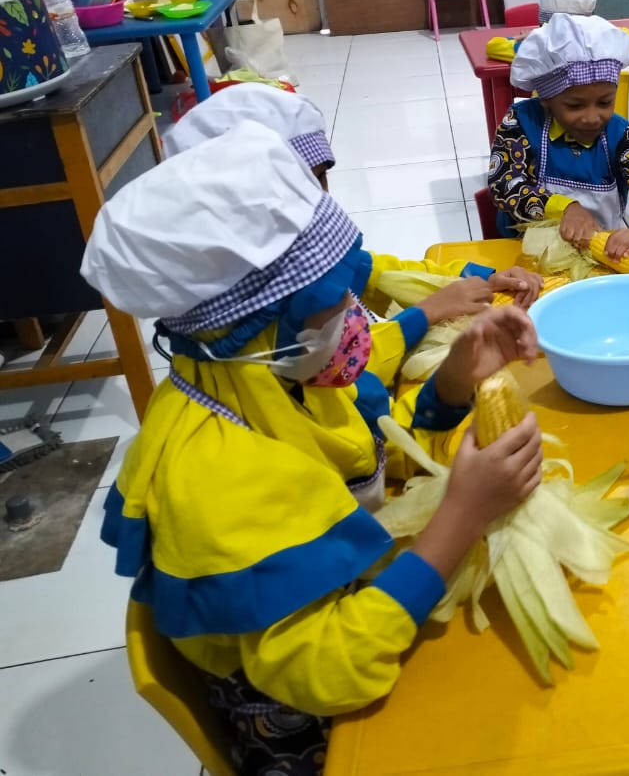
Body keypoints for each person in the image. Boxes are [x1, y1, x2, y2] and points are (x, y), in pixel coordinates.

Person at [82, 123, 544, 775]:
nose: (359, 317)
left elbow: (379, 447)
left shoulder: (266, 377)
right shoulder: (219, 479)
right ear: (256, 329)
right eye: (334, 305)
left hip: (348, 608)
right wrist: (462, 517)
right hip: (308, 724)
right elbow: (332, 671)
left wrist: (454, 378)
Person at [163, 82, 540, 319]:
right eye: (290, 188)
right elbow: (350, 365)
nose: (312, 201)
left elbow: (377, 273)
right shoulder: (239, 294)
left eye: (320, 181)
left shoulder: (309, 245)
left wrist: (479, 278)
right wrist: (421, 318)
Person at [488, 13, 629, 259]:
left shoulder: (621, 134)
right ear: (546, 100)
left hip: (600, 256)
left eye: (605, 102)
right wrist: (564, 208)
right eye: (575, 106)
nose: (591, 117)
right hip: (525, 256)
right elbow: (503, 184)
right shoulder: (521, 123)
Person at [485, 0, 598, 63]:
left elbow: (493, 46)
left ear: (544, 22)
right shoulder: (607, 38)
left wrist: (529, 36)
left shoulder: (535, 46)